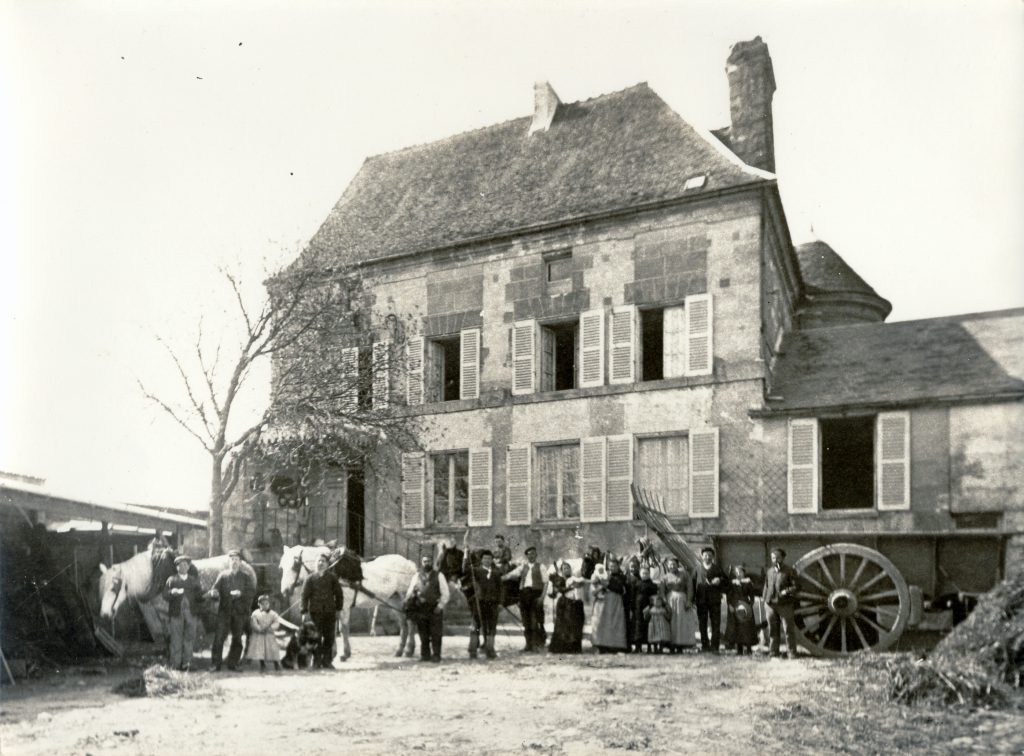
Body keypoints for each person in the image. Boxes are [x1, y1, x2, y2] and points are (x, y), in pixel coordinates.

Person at [209, 549, 256, 671]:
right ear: (228, 562)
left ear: (240, 562)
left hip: (239, 613)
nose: (234, 562)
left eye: (236, 560)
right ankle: (215, 664)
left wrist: (241, 594)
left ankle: (233, 664)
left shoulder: (246, 577)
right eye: (232, 560)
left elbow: (251, 593)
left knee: (237, 639)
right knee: (219, 638)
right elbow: (215, 590)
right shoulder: (223, 576)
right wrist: (214, 593)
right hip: (224, 612)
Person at [301, 552, 345, 669]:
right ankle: (316, 661)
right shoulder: (310, 579)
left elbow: (339, 594)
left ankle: (327, 661)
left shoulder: (332, 578)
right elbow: (304, 596)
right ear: (315, 563)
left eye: (323, 561)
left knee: (329, 638)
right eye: (318, 561)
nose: (320, 563)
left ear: (327, 564)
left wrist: (338, 609)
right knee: (315, 637)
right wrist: (304, 611)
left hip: (330, 613)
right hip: (315, 613)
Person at [405, 553, 450, 662]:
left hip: (434, 609)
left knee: (436, 633)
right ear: (422, 562)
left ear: (432, 562)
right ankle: (425, 655)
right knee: (423, 633)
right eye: (425, 561)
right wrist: (409, 601)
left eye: (429, 561)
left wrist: (440, 606)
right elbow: (410, 591)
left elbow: (446, 593)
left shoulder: (439, 575)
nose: (427, 563)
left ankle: (436, 655)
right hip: (421, 609)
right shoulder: (416, 576)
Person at [163, 554, 202, 671]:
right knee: (176, 638)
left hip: (191, 613)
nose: (184, 567)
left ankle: (187, 663)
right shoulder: (172, 580)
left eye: (186, 564)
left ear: (189, 567)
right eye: (181, 565)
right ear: (177, 567)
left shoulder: (194, 580)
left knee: (189, 638)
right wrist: (171, 592)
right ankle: (175, 664)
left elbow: (199, 596)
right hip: (176, 613)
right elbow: (165, 595)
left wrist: (210, 595)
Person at [503, 546, 546, 652]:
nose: (531, 556)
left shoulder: (541, 567)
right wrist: (499, 578)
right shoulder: (522, 567)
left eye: (533, 554)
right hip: (524, 595)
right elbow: (510, 575)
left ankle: (536, 645)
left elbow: (546, 583)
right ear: (526, 556)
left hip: (536, 594)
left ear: (536, 555)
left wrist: (542, 597)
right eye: (529, 554)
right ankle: (528, 645)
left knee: (534, 620)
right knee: (526, 621)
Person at [463, 546, 503, 660]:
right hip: (479, 603)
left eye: (489, 559)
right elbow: (465, 570)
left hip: (492, 604)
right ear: (482, 560)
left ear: (492, 560)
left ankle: (490, 650)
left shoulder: (496, 573)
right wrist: (466, 554)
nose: (487, 560)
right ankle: (472, 650)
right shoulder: (476, 570)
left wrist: (500, 603)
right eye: (485, 558)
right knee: (475, 626)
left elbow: (501, 589)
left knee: (491, 627)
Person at [762, 548, 800, 659]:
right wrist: (765, 600)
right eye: (773, 557)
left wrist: (786, 591)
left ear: (783, 558)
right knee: (773, 629)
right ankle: (773, 652)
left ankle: (791, 653)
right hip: (770, 604)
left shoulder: (789, 571)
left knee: (788, 629)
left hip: (785, 604)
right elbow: (766, 586)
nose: (775, 559)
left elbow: (797, 586)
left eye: (778, 557)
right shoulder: (769, 571)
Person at [659, 557, 698, 653]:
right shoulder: (665, 577)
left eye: (674, 564)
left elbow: (690, 588)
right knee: (671, 622)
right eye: (670, 564)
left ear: (678, 565)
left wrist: (689, 600)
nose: (672, 566)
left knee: (681, 622)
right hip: (670, 601)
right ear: (667, 566)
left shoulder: (684, 575)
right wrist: (664, 602)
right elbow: (662, 591)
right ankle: (671, 644)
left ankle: (681, 644)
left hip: (682, 600)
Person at [694, 547, 728, 653]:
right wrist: (693, 599)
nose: (707, 557)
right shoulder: (697, 569)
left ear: (713, 557)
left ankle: (715, 646)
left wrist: (720, 580)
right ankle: (704, 645)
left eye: (709, 555)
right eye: (705, 555)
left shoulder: (717, 568)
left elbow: (726, 581)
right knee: (702, 624)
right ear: (701, 556)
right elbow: (692, 584)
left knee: (715, 623)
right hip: (701, 600)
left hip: (714, 600)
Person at [590, 557, 628, 653]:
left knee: (615, 623)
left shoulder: (621, 576)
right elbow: (596, 584)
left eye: (614, 566)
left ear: (618, 566)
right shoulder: (604, 574)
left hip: (615, 601)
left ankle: (615, 645)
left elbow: (620, 588)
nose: (612, 568)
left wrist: (608, 584)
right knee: (604, 622)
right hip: (605, 602)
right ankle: (602, 644)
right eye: (611, 566)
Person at [547, 561, 586, 654]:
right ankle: (562, 647)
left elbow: (582, 583)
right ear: (562, 571)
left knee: (575, 625)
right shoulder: (559, 580)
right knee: (563, 625)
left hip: (575, 603)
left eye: (568, 568)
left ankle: (574, 647)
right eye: (564, 569)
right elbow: (559, 590)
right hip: (564, 604)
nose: (567, 570)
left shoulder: (575, 578)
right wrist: (570, 587)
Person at [725, 565, 758, 656]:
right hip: (735, 605)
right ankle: (739, 649)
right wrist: (730, 605)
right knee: (737, 627)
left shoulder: (748, 582)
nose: (739, 574)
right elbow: (729, 595)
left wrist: (749, 605)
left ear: (744, 573)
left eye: (740, 572)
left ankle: (748, 648)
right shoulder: (732, 583)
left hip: (745, 606)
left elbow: (752, 596)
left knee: (747, 627)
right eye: (737, 572)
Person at [247, 594, 282, 671]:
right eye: (262, 604)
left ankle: (276, 664)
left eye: (266, 604)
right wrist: (259, 629)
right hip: (259, 635)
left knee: (272, 650)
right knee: (260, 650)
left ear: (269, 604)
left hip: (269, 635)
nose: (265, 605)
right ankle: (262, 664)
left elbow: (277, 623)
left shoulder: (273, 614)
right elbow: (253, 623)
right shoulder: (255, 613)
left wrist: (271, 628)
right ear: (259, 604)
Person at [632, 565, 660, 654]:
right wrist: (633, 607)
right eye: (643, 573)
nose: (644, 575)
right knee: (638, 626)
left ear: (649, 574)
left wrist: (650, 606)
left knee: (649, 627)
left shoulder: (652, 585)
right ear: (640, 574)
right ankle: (637, 646)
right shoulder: (636, 584)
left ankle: (649, 646)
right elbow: (633, 597)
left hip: (648, 607)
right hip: (637, 608)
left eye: (646, 573)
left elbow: (654, 598)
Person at [623, 557, 642, 653]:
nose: (633, 569)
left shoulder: (640, 577)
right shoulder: (626, 577)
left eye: (635, 567)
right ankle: (628, 645)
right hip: (627, 603)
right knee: (627, 624)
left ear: (638, 567)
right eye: (631, 567)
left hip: (637, 604)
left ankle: (638, 645)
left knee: (637, 625)